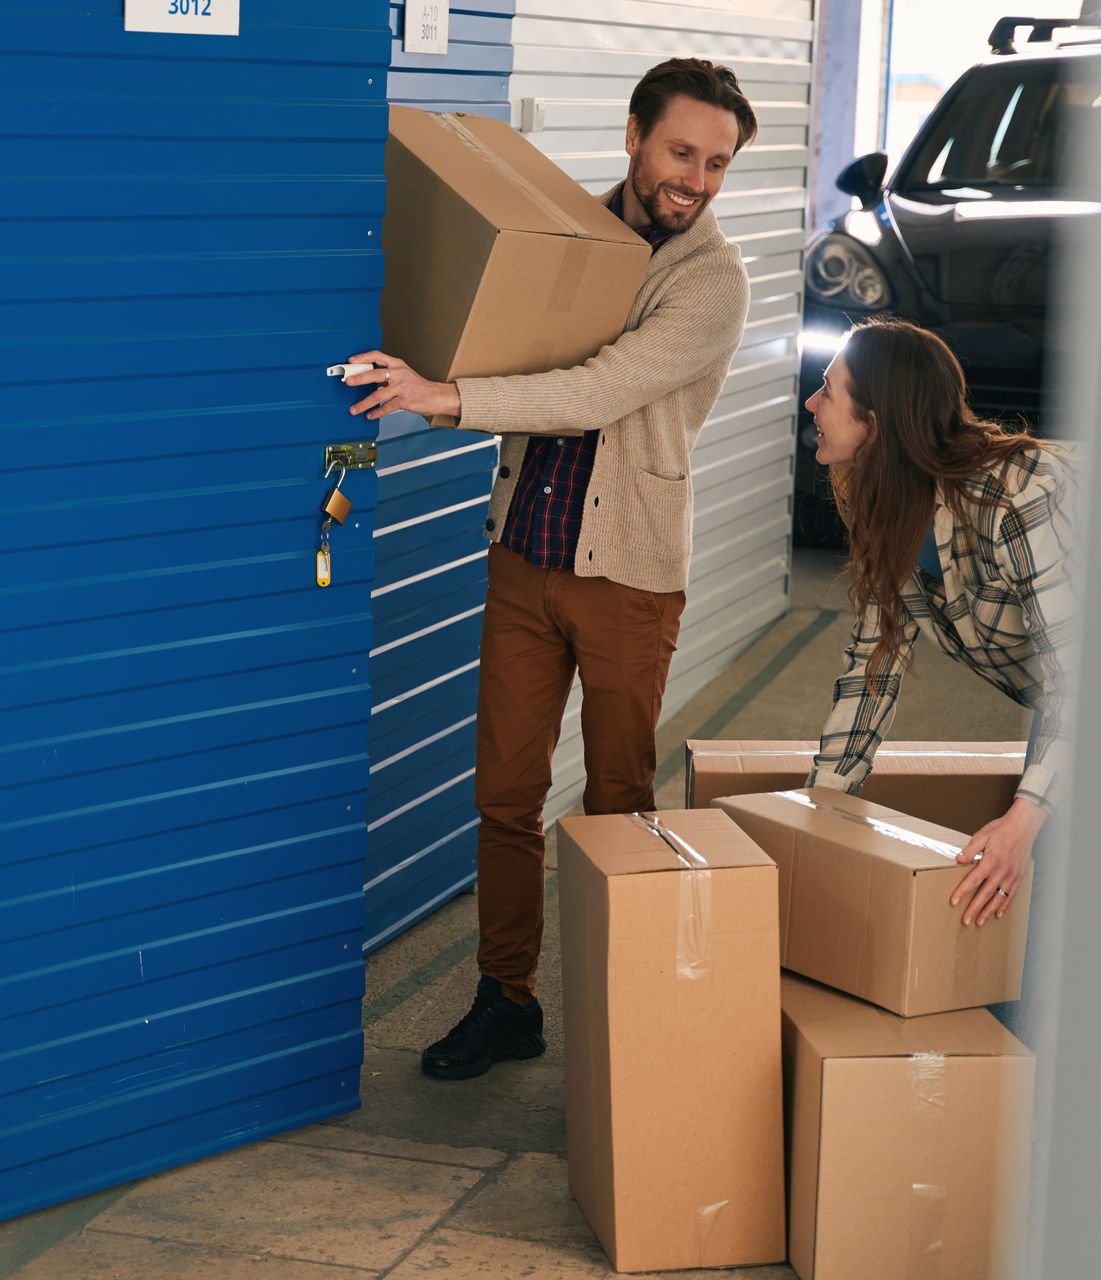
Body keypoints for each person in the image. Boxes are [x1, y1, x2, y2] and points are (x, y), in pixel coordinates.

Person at [341, 58, 759, 1080]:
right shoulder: (569, 235)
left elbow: (595, 387)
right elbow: (510, 328)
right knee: (506, 794)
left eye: (716, 162)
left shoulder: (714, 280)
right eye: (680, 151)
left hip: (628, 577)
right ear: (633, 134)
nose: (696, 178)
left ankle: (626, 1019)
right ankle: (507, 999)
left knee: (618, 800)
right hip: (525, 552)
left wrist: (441, 396)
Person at [801, 317, 1077, 952]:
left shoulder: (1015, 496)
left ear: (876, 420)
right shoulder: (888, 504)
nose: (812, 404)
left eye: (828, 391)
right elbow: (872, 667)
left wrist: (1024, 820)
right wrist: (815, 811)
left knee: (1047, 879)